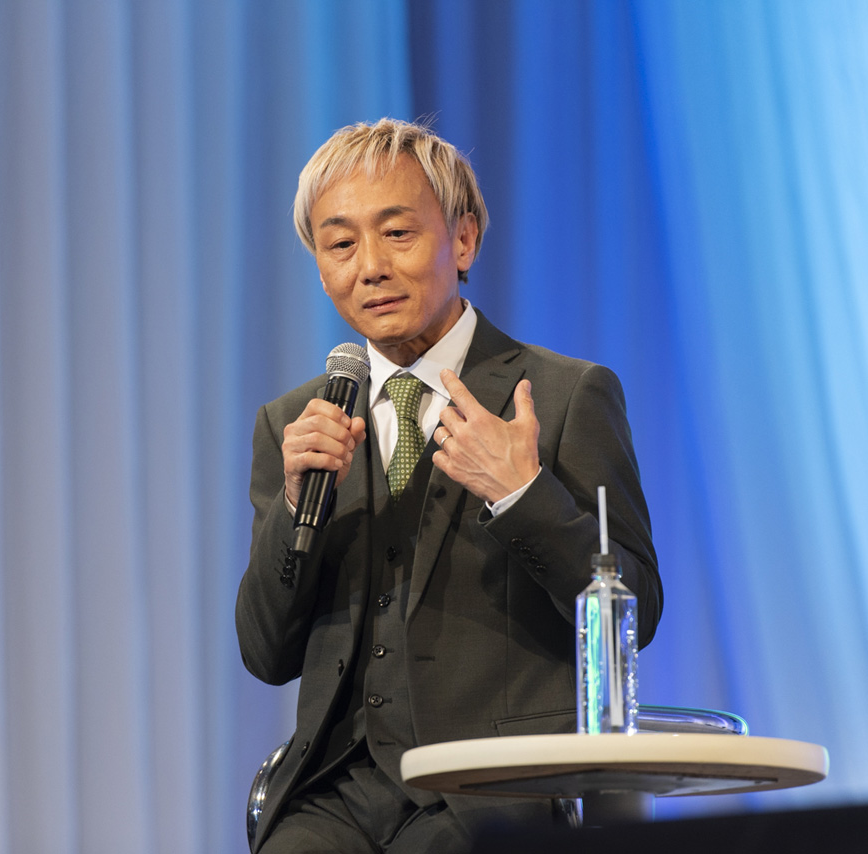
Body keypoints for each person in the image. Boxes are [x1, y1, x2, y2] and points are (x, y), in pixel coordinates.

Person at [236, 118, 661, 853]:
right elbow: (266, 654)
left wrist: (523, 494)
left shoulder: (563, 397)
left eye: (397, 233)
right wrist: (296, 504)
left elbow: (637, 614)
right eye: (340, 245)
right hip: (334, 794)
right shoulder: (297, 423)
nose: (370, 267)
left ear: (462, 240)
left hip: (493, 789)